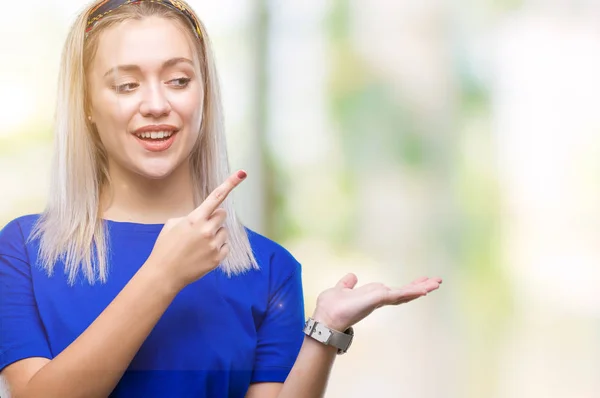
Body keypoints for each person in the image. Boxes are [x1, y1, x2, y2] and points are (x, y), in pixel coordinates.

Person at [0, 1, 443, 397]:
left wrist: (325, 331)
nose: (156, 104)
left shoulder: (269, 269)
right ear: (87, 106)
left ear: (205, 95)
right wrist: (162, 274)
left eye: (178, 80)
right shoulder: (23, 250)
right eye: (126, 86)